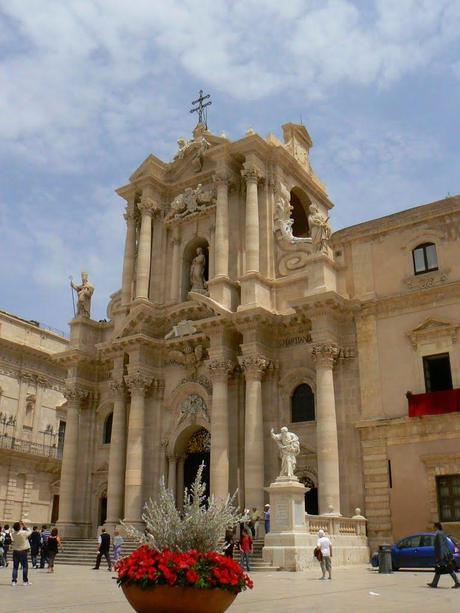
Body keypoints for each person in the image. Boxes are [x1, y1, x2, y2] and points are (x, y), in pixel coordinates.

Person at [427, 522, 460, 589]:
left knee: (448, 568)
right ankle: (434, 583)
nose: (433, 528)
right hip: (445, 554)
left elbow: (441, 545)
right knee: (439, 568)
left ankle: (457, 582)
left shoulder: (438, 534)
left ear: (436, 527)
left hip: (442, 555)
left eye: (434, 526)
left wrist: (441, 556)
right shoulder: (442, 533)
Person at [11, 519, 32, 586]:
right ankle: (25, 581)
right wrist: (24, 525)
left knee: (15, 567)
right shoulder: (23, 533)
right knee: (25, 566)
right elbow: (30, 531)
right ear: (19, 527)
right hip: (23, 552)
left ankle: (14, 581)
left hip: (16, 551)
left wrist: (20, 525)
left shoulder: (13, 534)